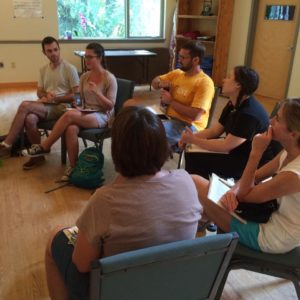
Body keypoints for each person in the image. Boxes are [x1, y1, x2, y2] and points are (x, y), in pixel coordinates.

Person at [45, 106, 202, 299]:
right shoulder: (186, 181)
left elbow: (82, 264)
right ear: (163, 145)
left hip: (118, 291)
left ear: (117, 150)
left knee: (55, 236)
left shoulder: (104, 200)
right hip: (169, 285)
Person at [192, 98, 300, 254]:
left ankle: (199, 242)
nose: (270, 121)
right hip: (267, 214)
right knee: (207, 197)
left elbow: (245, 195)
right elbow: (255, 177)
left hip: (270, 235)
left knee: (195, 183)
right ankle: (202, 234)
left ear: (294, 133)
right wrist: (233, 191)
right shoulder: (290, 151)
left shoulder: (294, 175)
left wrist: (256, 153)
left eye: (277, 119)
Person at [23, 42, 118, 181]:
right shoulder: (85, 76)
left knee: (68, 115)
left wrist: (98, 93)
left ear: (100, 58)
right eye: (86, 57)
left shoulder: (109, 78)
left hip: (102, 115)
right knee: (71, 128)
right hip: (85, 112)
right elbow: (79, 96)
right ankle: (73, 168)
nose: (86, 60)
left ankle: (45, 146)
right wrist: (77, 105)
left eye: (90, 57)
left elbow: (110, 106)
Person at [180, 66, 274, 180]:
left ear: (238, 85)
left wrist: (194, 140)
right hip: (237, 150)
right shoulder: (233, 103)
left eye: (229, 77)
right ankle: (198, 190)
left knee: (195, 156)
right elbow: (215, 131)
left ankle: (201, 191)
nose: (224, 80)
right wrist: (188, 137)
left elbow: (225, 146)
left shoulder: (249, 114)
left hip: (252, 161)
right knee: (191, 150)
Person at [0, 36, 80, 170]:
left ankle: (8, 142)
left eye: (55, 50)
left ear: (59, 49)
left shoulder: (69, 68)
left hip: (63, 107)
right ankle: (38, 157)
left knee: (25, 105)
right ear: (44, 52)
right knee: (30, 119)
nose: (53, 53)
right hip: (48, 105)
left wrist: (56, 99)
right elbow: (39, 92)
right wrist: (46, 96)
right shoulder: (43, 69)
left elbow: (76, 95)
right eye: (49, 51)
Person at [125, 40, 215, 150]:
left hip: (188, 126)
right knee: (133, 114)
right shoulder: (177, 73)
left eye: (183, 57)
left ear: (196, 60)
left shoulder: (204, 82)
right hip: (167, 117)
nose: (179, 60)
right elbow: (154, 83)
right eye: (179, 56)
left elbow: (195, 115)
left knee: (148, 134)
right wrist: (159, 83)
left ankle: (147, 161)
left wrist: (171, 102)